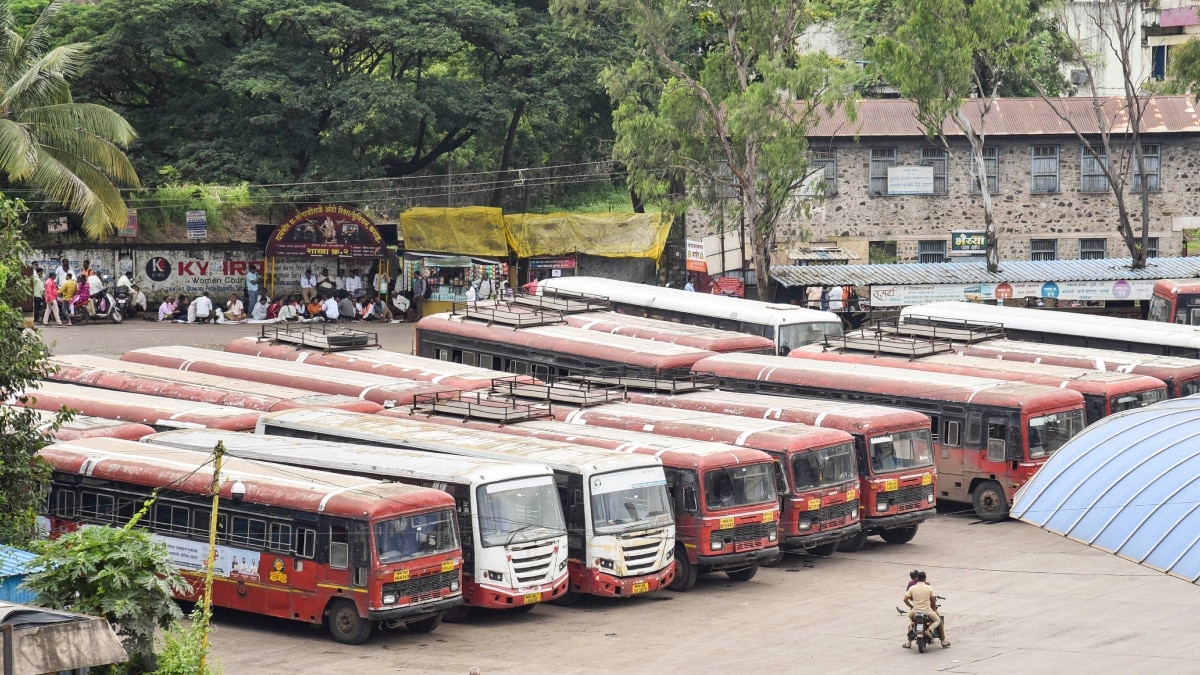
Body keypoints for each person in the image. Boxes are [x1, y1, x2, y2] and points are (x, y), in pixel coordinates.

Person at [903, 571, 949, 649]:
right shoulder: (929, 587)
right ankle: (933, 634)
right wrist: (934, 609)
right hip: (927, 610)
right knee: (938, 620)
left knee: (908, 617)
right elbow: (933, 600)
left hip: (915, 610)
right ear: (925, 578)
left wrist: (911, 606)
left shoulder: (912, 588)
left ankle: (909, 638)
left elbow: (905, 599)